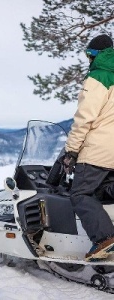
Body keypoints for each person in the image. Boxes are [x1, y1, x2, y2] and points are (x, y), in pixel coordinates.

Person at [64, 34, 114, 262]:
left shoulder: (98, 76)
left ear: (95, 55)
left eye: (89, 55)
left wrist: (71, 150)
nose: (88, 59)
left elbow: (85, 117)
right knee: (106, 192)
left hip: (98, 150)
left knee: (80, 192)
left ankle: (105, 239)